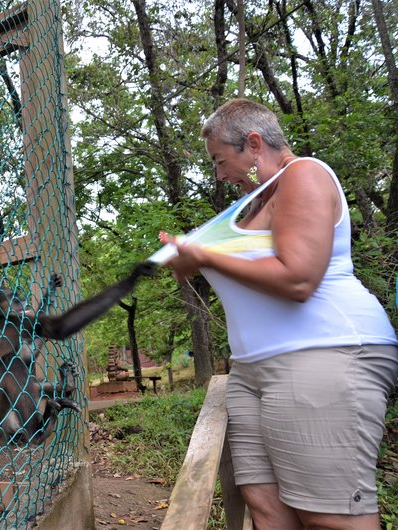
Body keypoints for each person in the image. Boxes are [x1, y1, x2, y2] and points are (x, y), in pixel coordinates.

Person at [162, 98, 398, 530]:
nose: (219, 174)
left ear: (254, 144)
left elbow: (297, 279)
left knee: (330, 516)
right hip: (251, 372)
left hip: (325, 353)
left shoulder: (304, 174)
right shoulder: (251, 204)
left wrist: (206, 259)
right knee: (268, 510)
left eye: (220, 160)